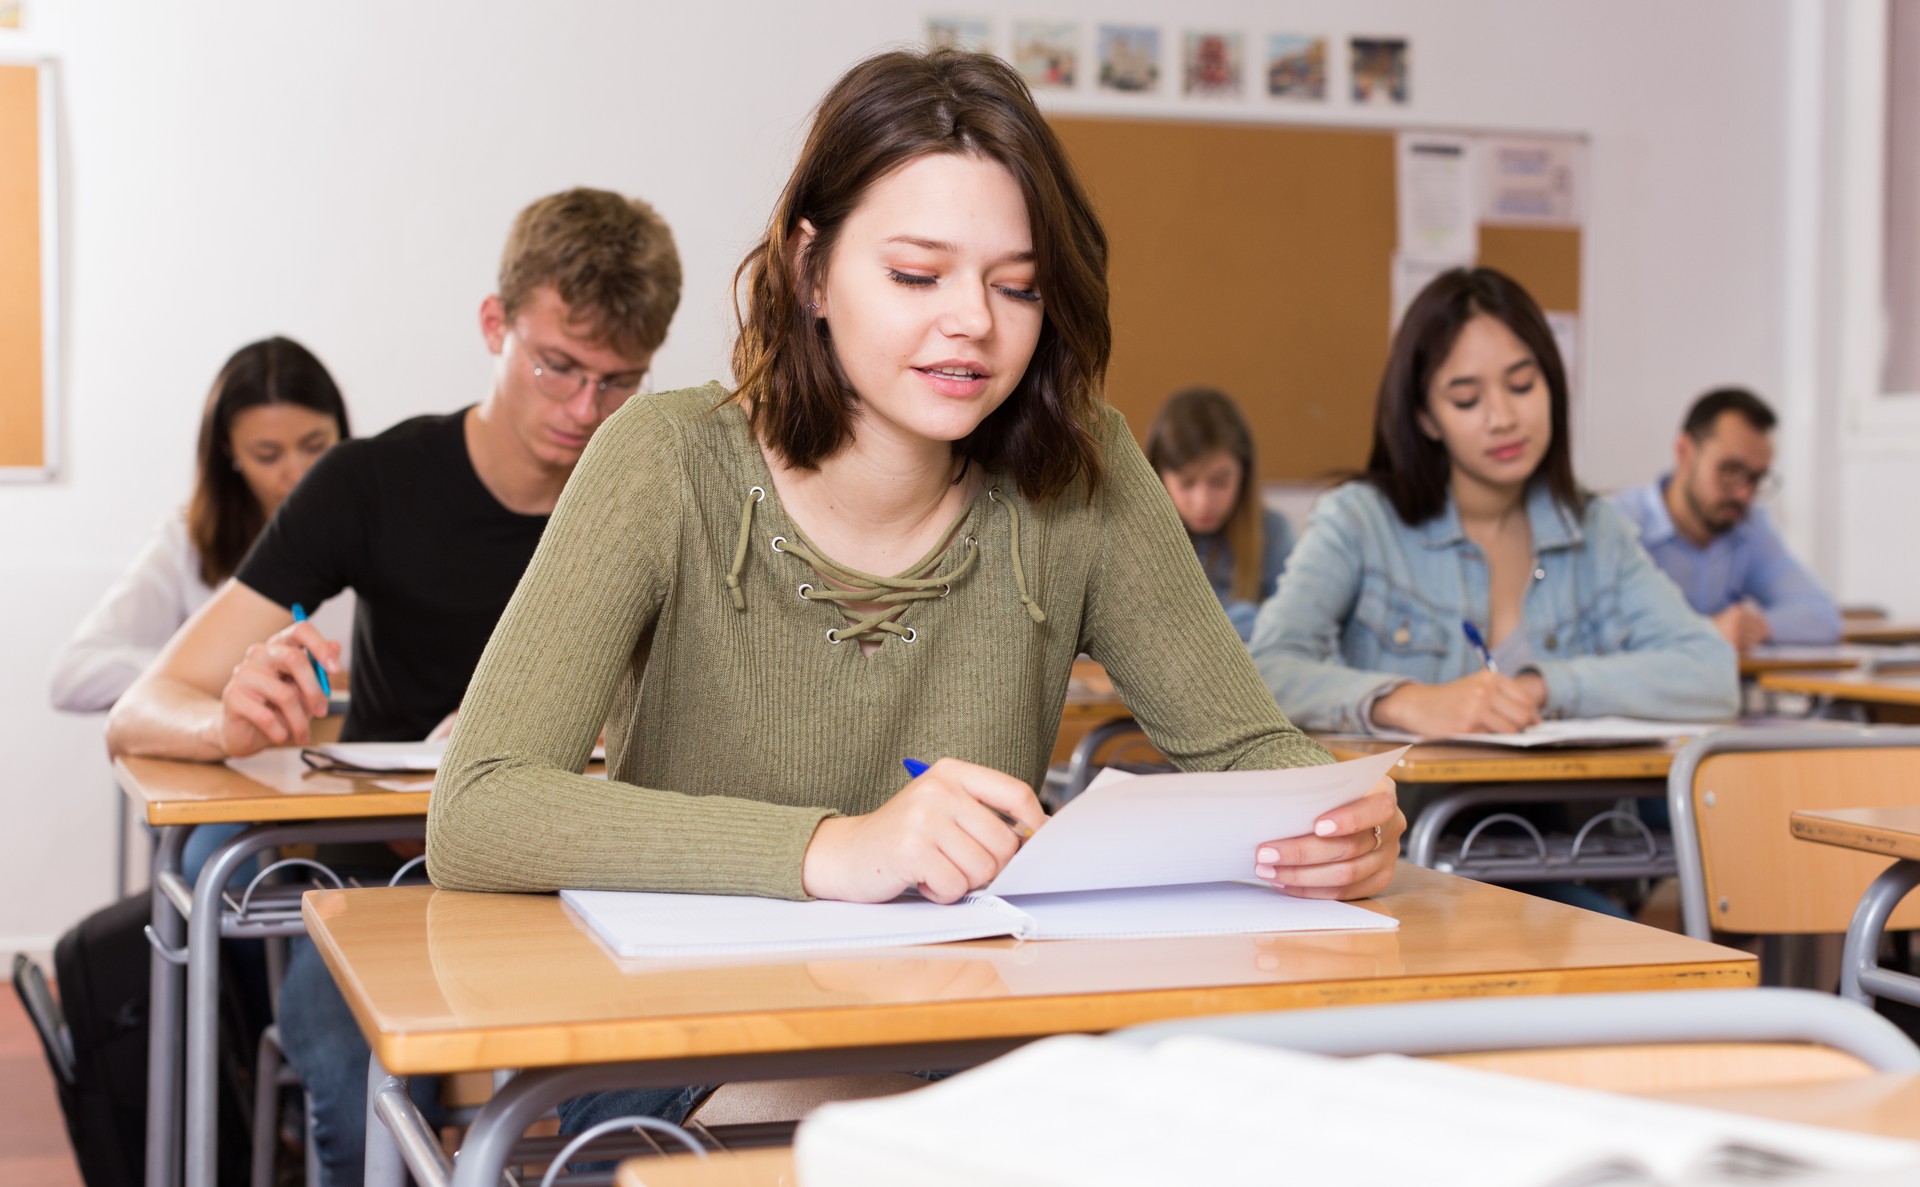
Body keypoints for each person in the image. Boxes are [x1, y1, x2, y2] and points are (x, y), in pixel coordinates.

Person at [428, 48, 1401, 1147]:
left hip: (976, 1025)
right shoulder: (662, 461)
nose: (973, 323)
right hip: (689, 1044)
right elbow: (480, 806)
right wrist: (832, 848)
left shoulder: (1087, 468)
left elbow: (1246, 750)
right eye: (915, 274)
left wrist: (1335, 817)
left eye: (1016, 283)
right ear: (811, 270)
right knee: (892, 1130)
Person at [107, 188, 683, 1187]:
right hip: (388, 876)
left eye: (618, 382)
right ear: (495, 325)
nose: (584, 411)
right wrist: (229, 721)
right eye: (559, 367)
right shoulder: (373, 482)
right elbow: (140, 705)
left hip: (576, 879)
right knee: (355, 1079)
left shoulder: (656, 493)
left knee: (642, 1091)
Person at [1250, 267, 1739, 737]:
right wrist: (1405, 702)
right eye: (1466, 399)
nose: (1502, 417)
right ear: (1426, 418)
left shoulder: (1594, 529)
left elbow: (1711, 674)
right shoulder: (1359, 520)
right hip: (1416, 820)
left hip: (1578, 819)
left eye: (1522, 385)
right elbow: (1267, 670)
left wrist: (1544, 686)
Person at [49, 336, 351, 713]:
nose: (298, 473)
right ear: (229, 452)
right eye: (267, 455)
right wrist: (209, 672)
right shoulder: (188, 542)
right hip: (227, 764)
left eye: (315, 445)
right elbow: (72, 675)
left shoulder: (380, 530)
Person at [1611, 387, 1842, 650]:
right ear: (1684, 452)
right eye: (1730, 471)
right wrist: (1705, 631)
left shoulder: (1749, 526)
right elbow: (1596, 631)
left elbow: (1823, 615)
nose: (1744, 493)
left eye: (1756, 478)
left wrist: (1756, 626)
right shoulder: (1618, 524)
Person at [1145, 386, 1295, 641]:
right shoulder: (1136, 537)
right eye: (1187, 483)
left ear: (1243, 474)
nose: (1203, 502)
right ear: (1157, 476)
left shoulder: (1273, 532)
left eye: (1219, 482)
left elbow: (1292, 626)